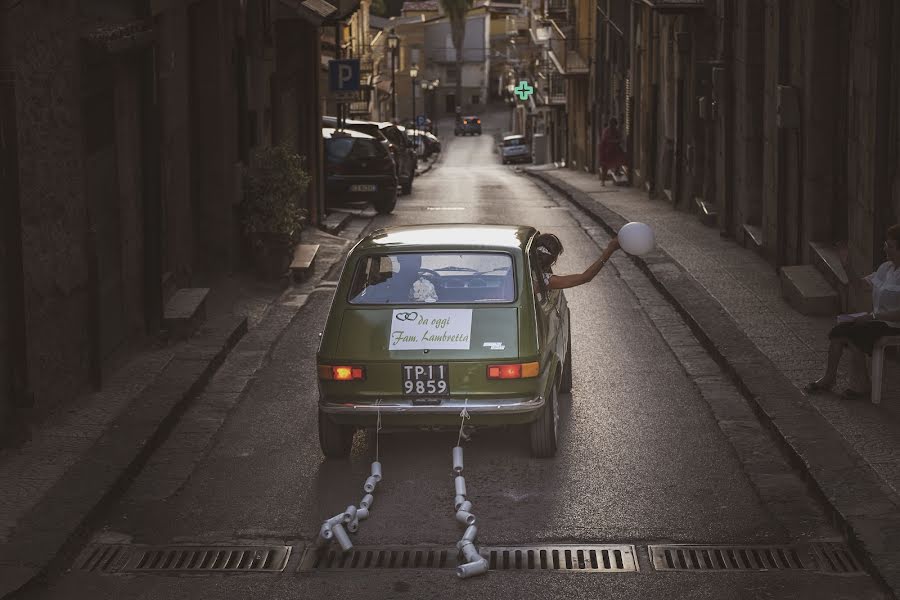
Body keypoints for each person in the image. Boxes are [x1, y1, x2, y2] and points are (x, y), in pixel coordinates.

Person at [805, 224, 900, 398]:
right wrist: (846, 266)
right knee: (839, 331)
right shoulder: (886, 268)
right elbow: (860, 286)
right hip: (877, 320)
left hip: (893, 324)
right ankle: (828, 378)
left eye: (891, 247)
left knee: (855, 332)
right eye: (886, 245)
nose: (886, 249)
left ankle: (862, 385)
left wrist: (872, 316)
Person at [533, 232, 620, 291]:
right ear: (553, 259)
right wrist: (609, 250)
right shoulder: (546, 280)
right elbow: (585, 277)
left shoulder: (522, 266)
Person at [598, 117, 626, 186]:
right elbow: (605, 140)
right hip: (607, 151)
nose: (612, 126)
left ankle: (617, 172)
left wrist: (618, 141)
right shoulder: (606, 131)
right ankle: (603, 181)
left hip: (615, 150)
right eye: (611, 124)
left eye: (614, 124)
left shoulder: (616, 131)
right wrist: (614, 141)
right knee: (605, 167)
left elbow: (620, 138)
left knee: (620, 159)